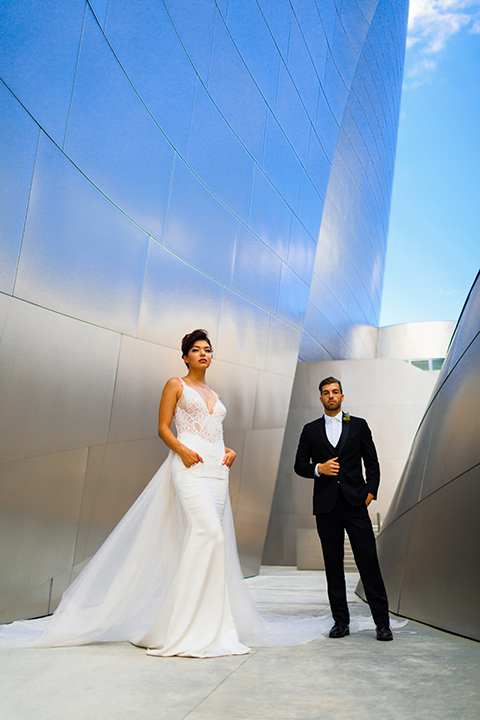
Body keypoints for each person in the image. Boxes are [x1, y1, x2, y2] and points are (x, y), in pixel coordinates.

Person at [0, 331, 343, 655]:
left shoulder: (216, 396)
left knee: (215, 541)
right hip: (189, 466)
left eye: (208, 349)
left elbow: (214, 432)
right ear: (185, 356)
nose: (204, 354)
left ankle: (206, 625)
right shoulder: (175, 385)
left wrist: (230, 452)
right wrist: (182, 450)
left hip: (216, 470)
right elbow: (163, 427)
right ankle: (183, 626)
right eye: (197, 349)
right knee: (207, 533)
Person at [294, 376, 393, 641]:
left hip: (355, 504)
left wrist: (369, 494)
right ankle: (341, 622)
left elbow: (372, 463)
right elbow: (299, 464)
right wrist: (319, 469)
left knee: (368, 561)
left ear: (342, 396)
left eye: (335, 392)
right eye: (326, 393)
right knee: (333, 565)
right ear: (320, 398)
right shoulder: (310, 430)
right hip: (326, 508)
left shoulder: (358, 426)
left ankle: (382, 623)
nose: (331, 396)